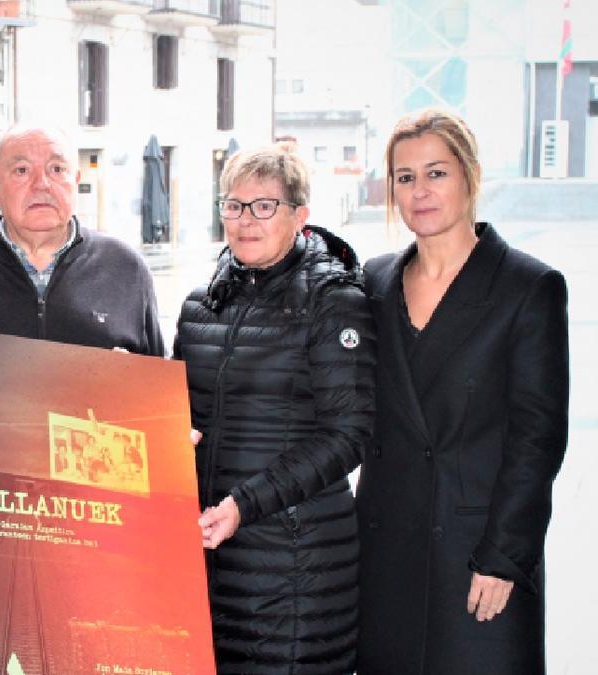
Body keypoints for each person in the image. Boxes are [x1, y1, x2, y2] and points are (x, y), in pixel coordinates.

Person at [356, 108, 569, 675]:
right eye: (405, 178)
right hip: (386, 551)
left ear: (470, 175)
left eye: (436, 173)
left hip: (478, 558)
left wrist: (503, 557)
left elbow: (538, 439)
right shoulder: (372, 281)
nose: (419, 192)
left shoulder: (528, 287)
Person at [173, 144, 375, 674]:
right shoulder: (200, 306)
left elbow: (347, 435)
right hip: (210, 560)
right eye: (234, 205)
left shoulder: (334, 301)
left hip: (296, 564)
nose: (246, 220)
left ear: (300, 216)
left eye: (264, 206)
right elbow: (179, 417)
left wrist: (245, 503)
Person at [0, 124, 165, 355]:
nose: (42, 184)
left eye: (57, 169)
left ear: (75, 181)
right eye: (21, 171)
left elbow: (159, 392)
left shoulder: (125, 268)